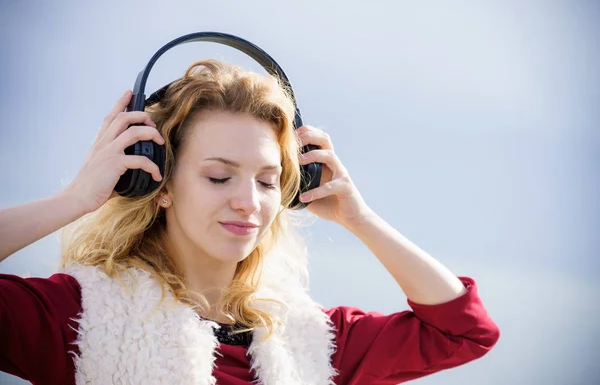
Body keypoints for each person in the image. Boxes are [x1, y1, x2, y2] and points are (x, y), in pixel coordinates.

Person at [0, 59, 500, 385]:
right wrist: (76, 198)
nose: (249, 202)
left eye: (267, 181)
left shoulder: (313, 339)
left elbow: (465, 332)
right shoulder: (78, 319)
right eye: (219, 177)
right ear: (162, 186)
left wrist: (360, 219)